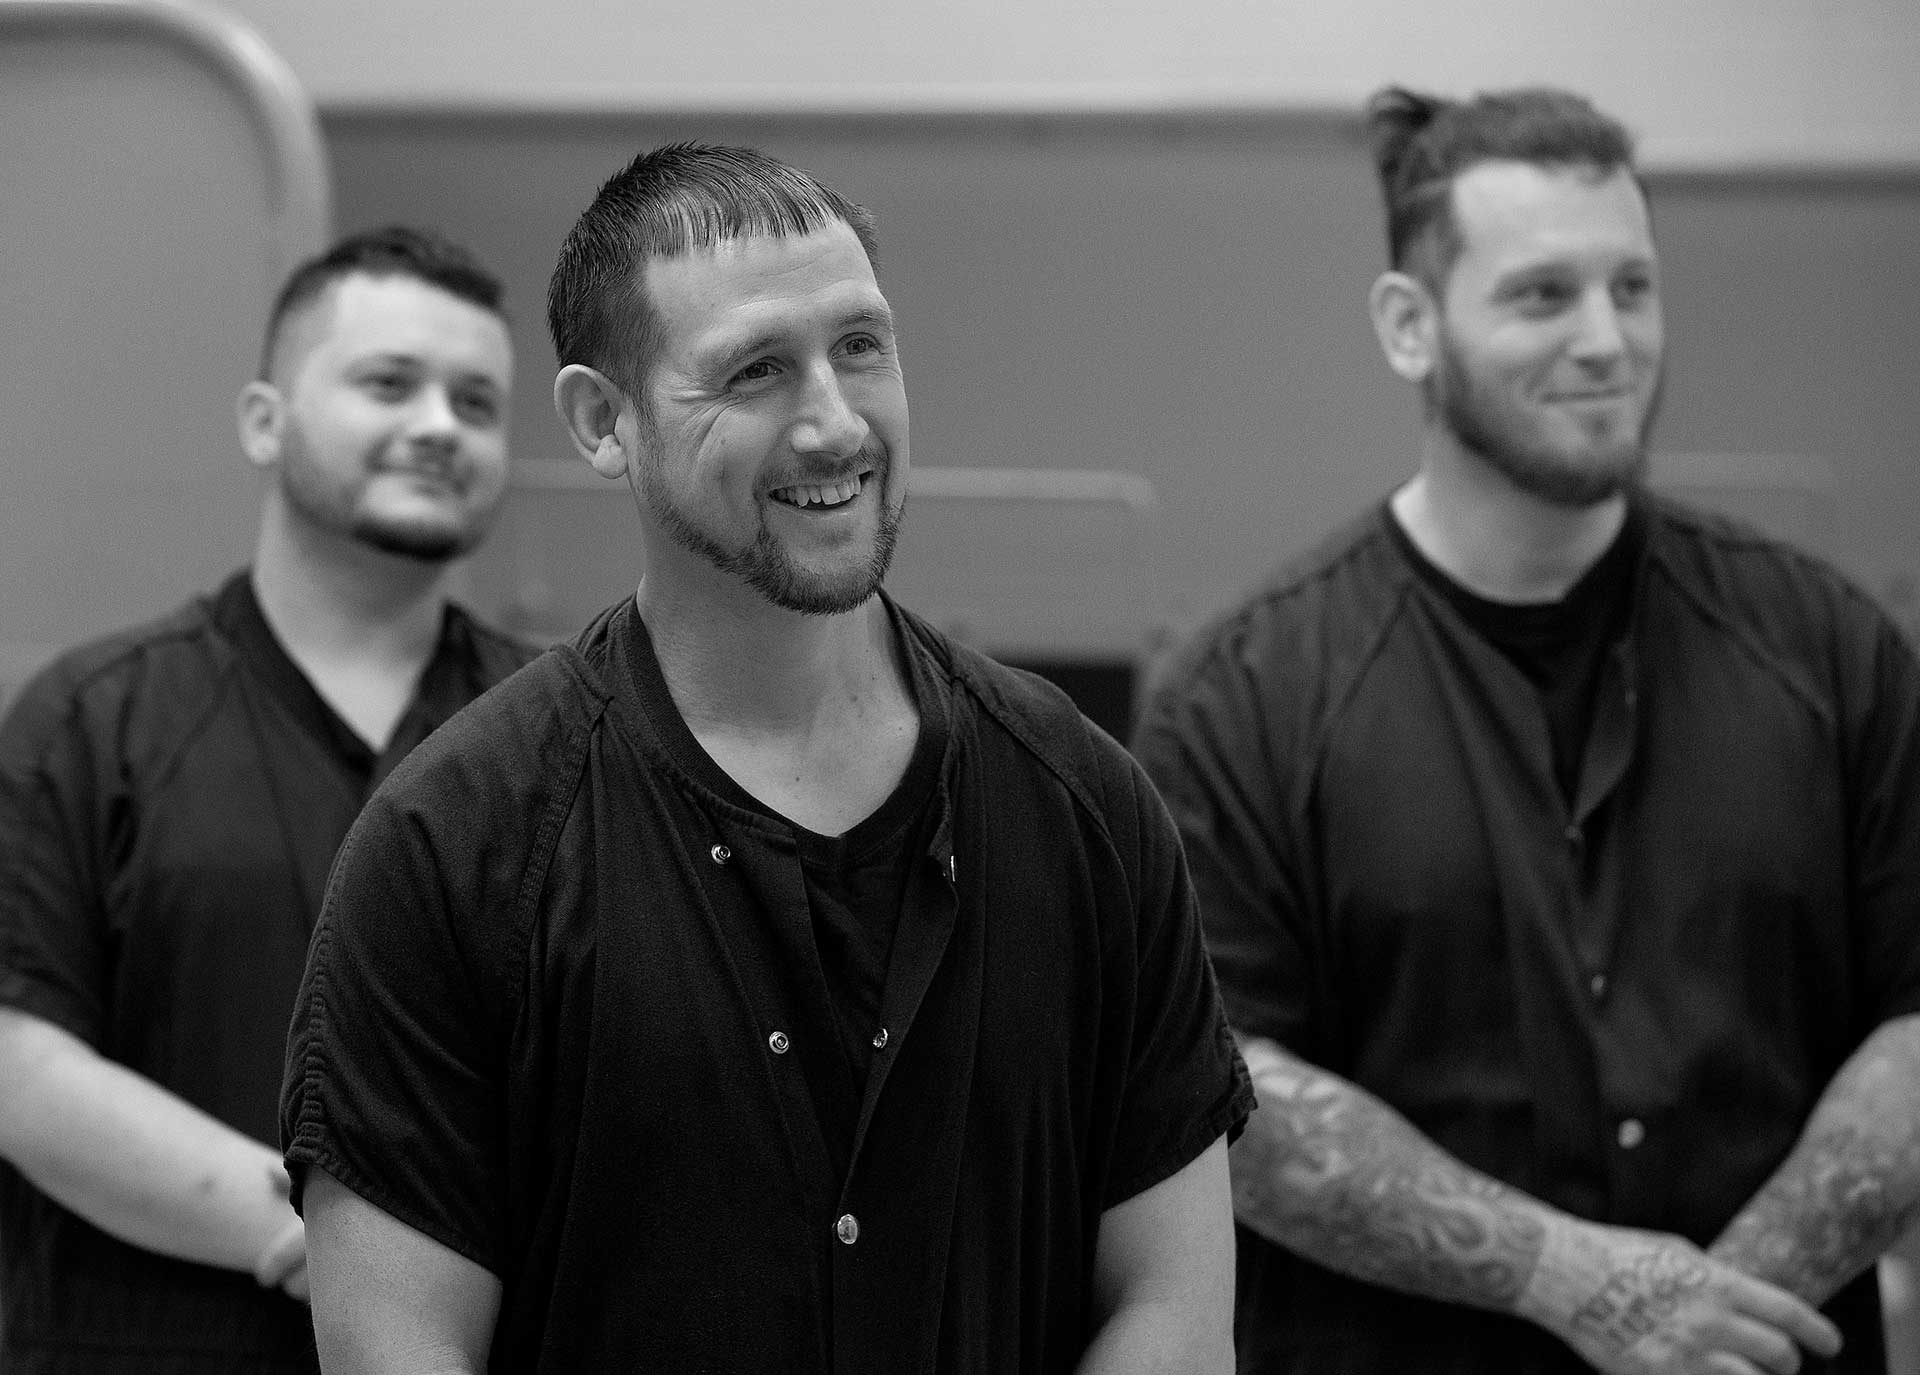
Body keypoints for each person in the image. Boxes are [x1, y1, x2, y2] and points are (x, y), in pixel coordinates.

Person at [278, 142, 1251, 1373]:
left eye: (862, 347)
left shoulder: (1081, 806)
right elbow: (400, 1348)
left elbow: (1169, 1307)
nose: (835, 422)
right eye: (755, 371)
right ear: (600, 421)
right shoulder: (455, 847)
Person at [1133, 85, 1920, 1375]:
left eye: (1634, 286)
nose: (1608, 339)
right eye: (1544, 295)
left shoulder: (1826, 649)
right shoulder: (1249, 696)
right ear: (1409, 325)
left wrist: (1718, 1307)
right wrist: (1580, 1281)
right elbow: (1215, 1086)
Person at [0, 225, 535, 1372]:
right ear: (263, 419)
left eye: (478, 402)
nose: (441, 425)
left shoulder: (560, 737)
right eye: (390, 383)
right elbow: (20, 1063)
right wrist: (317, 1239)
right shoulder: (92, 719)